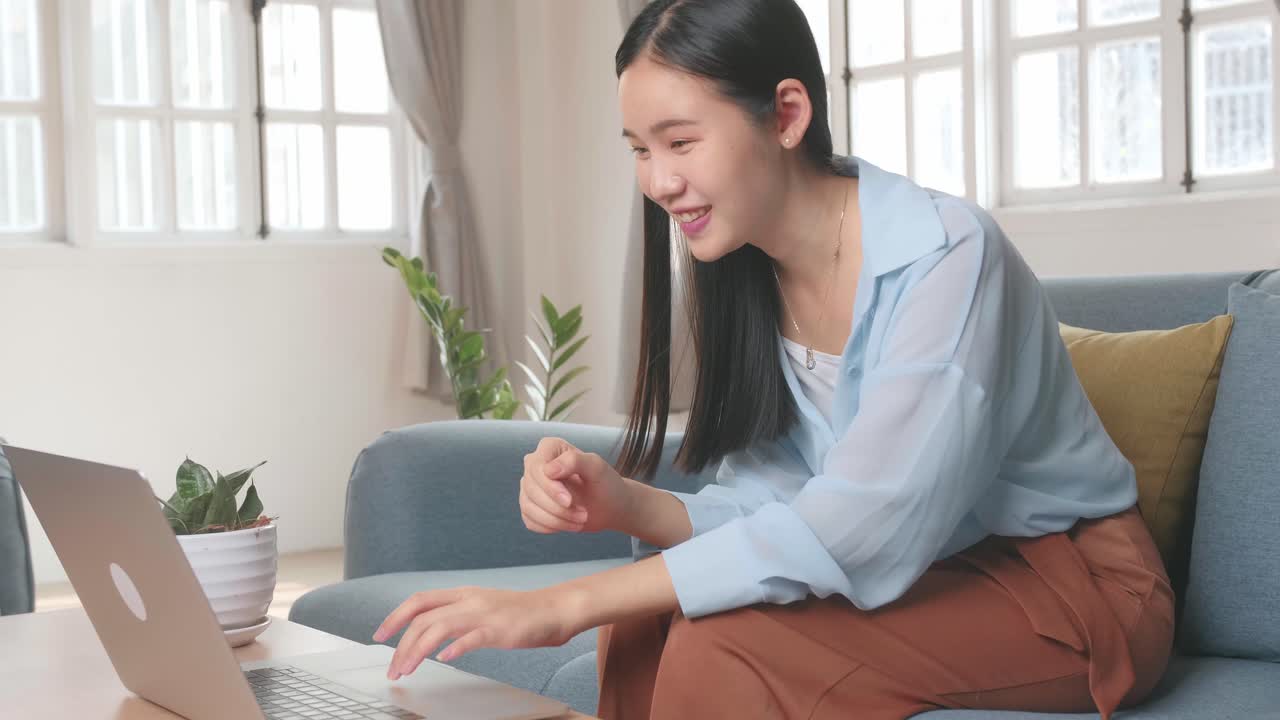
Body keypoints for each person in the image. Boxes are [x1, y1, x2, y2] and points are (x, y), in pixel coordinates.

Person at [371, 1, 1174, 718]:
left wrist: (565, 602)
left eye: (680, 141)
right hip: (944, 570)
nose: (658, 180)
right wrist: (623, 502)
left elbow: (860, 526)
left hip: (1072, 587)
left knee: (719, 646)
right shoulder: (743, 269)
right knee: (646, 624)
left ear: (787, 114)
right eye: (638, 150)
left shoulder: (949, 256)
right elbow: (776, 506)